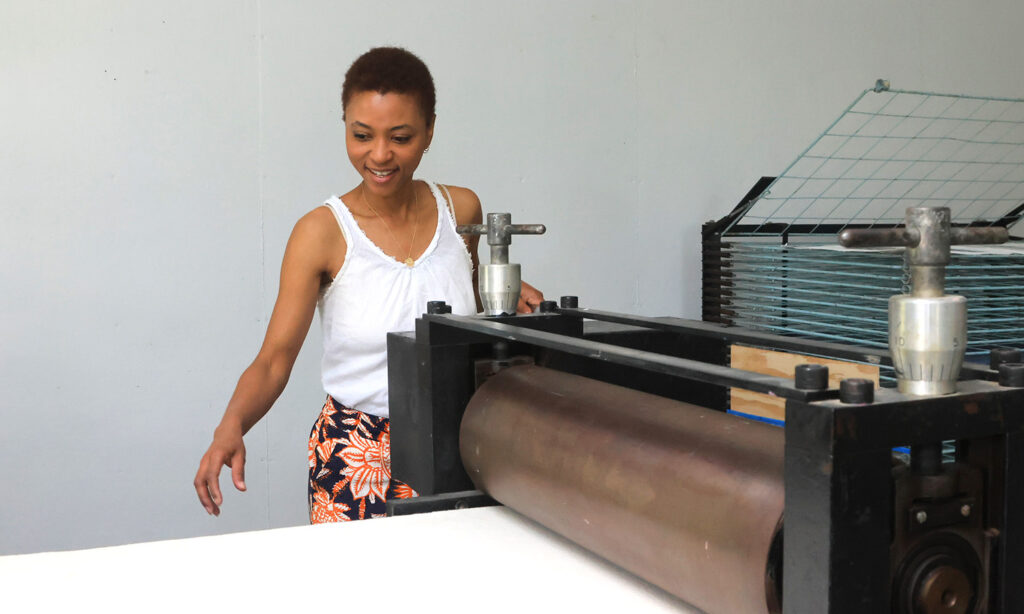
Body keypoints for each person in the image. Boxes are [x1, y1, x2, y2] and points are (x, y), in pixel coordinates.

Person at [194, 47, 543, 522]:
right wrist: (231, 425)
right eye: (362, 135)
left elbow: (465, 316)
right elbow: (275, 359)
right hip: (354, 455)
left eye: (400, 137)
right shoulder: (321, 233)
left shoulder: (461, 212)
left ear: (430, 131)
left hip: (458, 441)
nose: (379, 155)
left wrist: (504, 299)